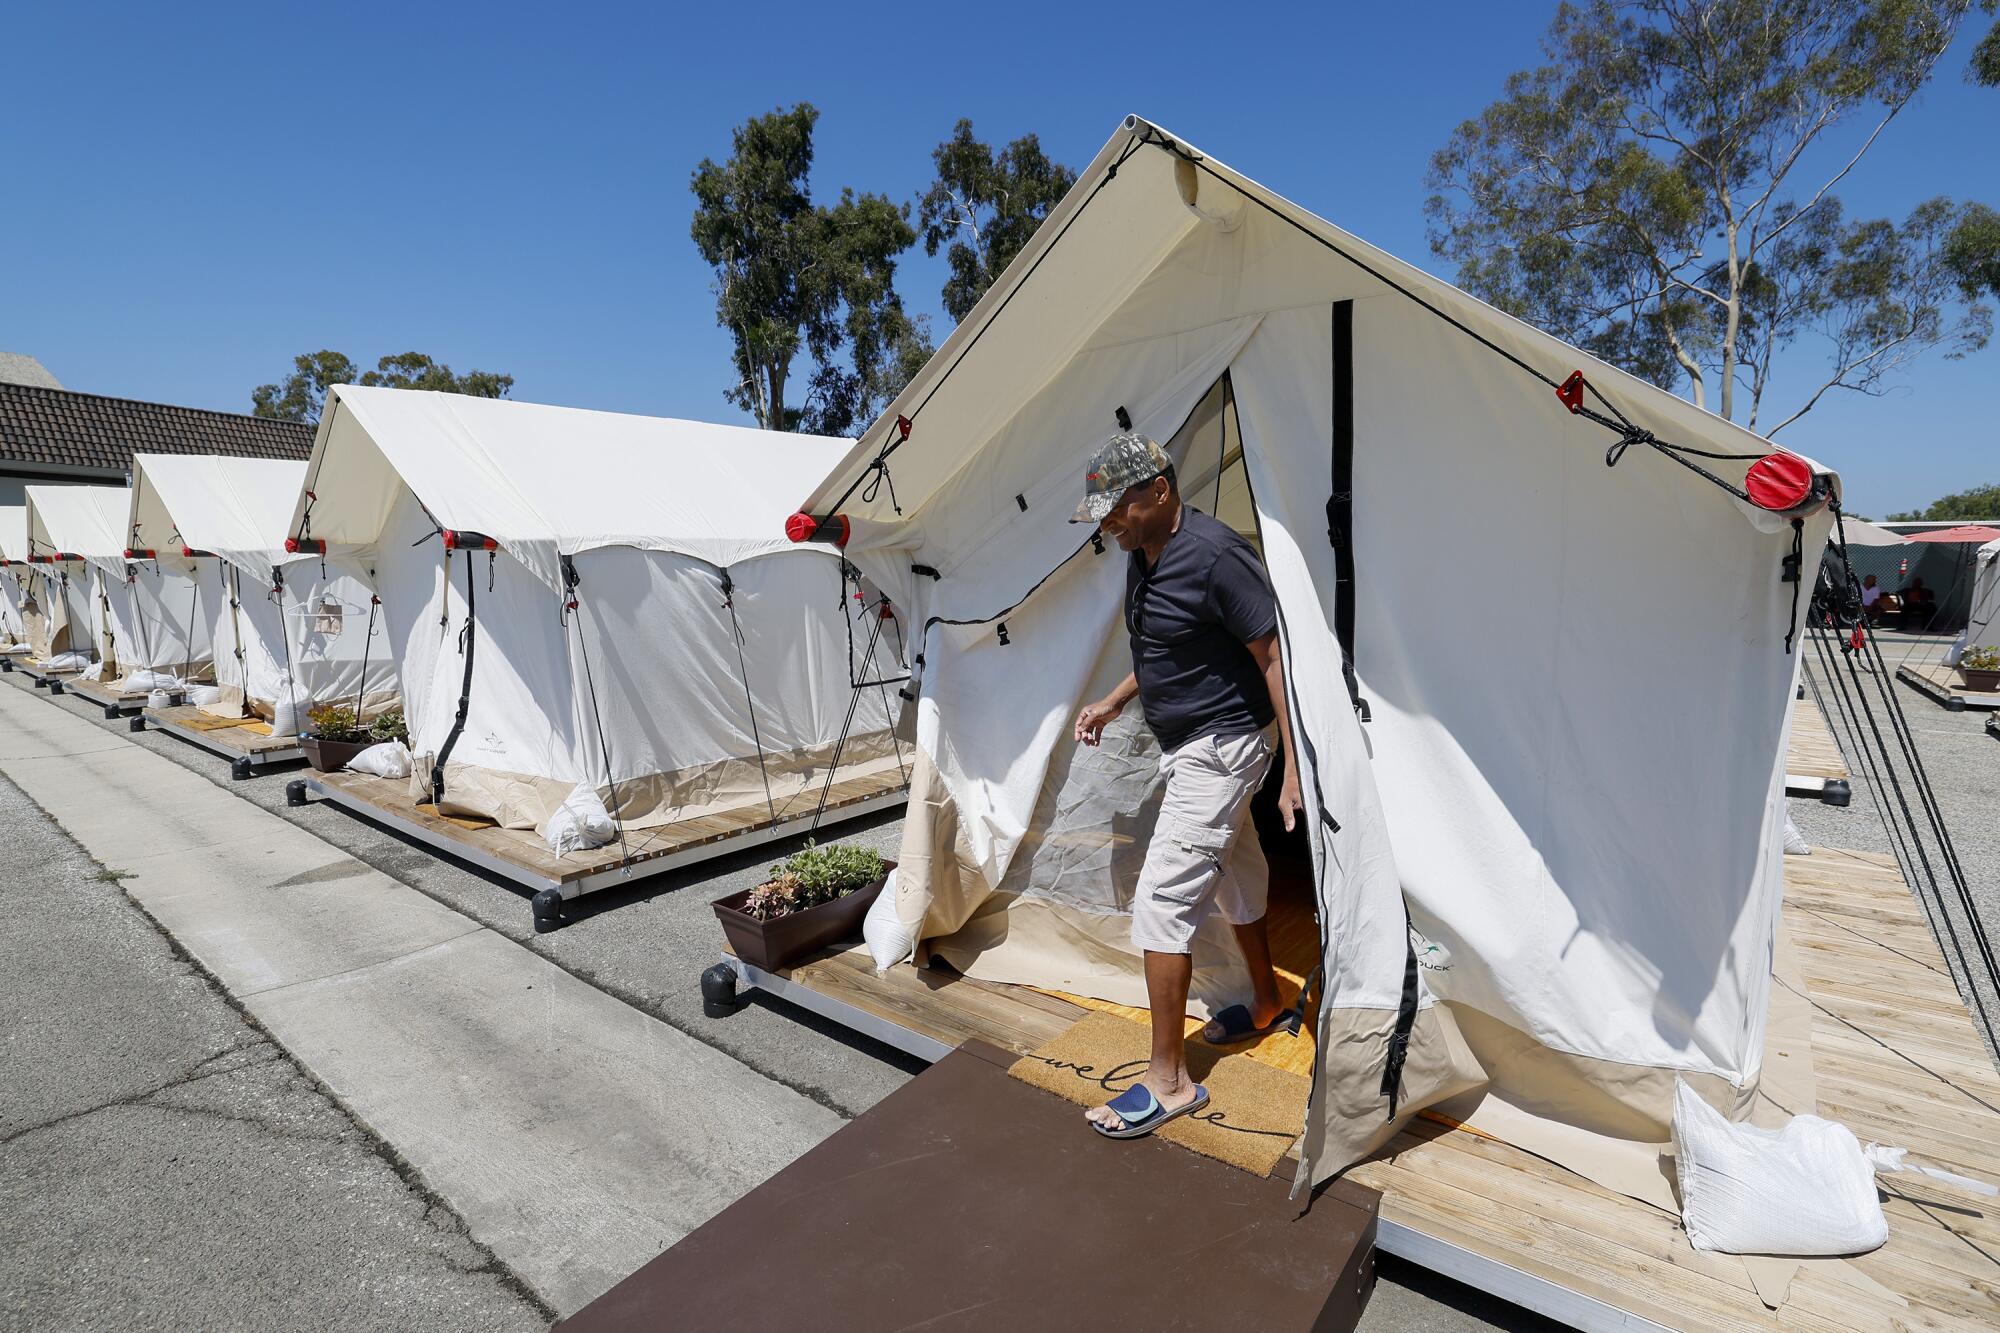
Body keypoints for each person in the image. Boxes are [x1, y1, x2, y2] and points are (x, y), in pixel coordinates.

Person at [1068, 431, 1303, 1140]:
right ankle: (1265, 999)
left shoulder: (1217, 555)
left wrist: (1294, 768)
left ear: (1159, 491)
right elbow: (1173, 647)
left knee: (1164, 900)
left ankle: (1169, 1081)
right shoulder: (1143, 553)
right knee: (1237, 875)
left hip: (1224, 745)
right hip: (1192, 744)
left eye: (1116, 508)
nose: (1108, 522)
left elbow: (1272, 656)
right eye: (1103, 511)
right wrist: (1113, 699)